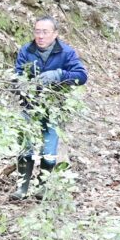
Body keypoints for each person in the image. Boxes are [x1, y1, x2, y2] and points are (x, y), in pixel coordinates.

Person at [13, 16, 88, 199]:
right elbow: (16, 75)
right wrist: (22, 84)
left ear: (55, 34)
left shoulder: (66, 52)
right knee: (25, 145)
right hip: (29, 105)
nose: (40, 36)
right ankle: (22, 187)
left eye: (45, 32)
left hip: (54, 106)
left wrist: (59, 75)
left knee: (49, 148)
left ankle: (42, 187)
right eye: (37, 31)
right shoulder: (27, 50)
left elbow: (81, 76)